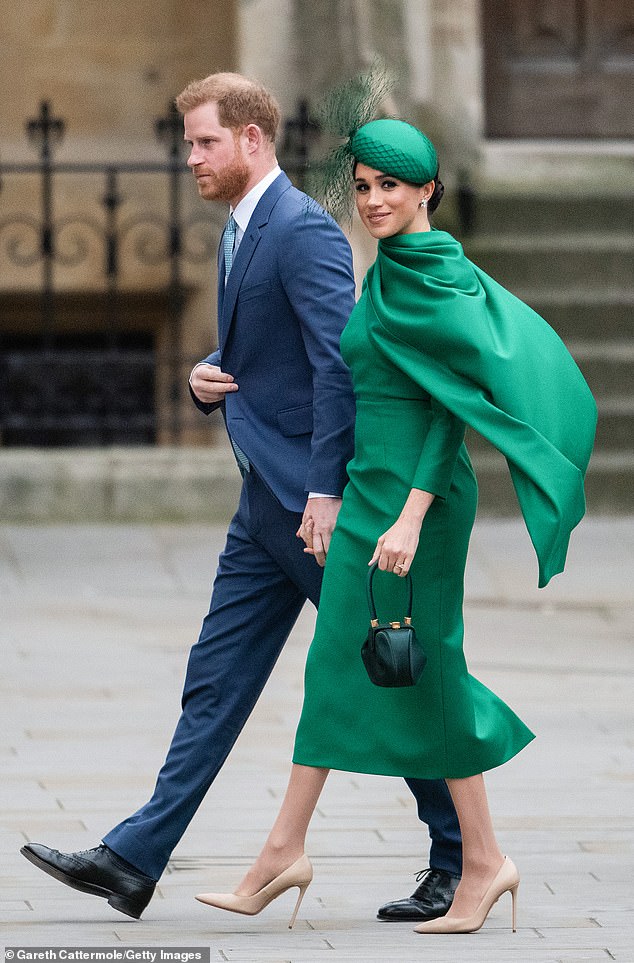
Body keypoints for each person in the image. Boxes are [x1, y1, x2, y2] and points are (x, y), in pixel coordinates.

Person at [20, 76, 464, 923]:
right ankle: (134, 857)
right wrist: (205, 377)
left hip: (312, 509)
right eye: (189, 142)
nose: (190, 157)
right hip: (264, 502)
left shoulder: (301, 232)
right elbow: (269, 353)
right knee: (215, 678)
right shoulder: (242, 228)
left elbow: (339, 368)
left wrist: (328, 491)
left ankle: (458, 855)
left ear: (253, 140)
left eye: (203, 142)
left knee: (386, 675)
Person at [194, 117, 597, 935]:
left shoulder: (434, 274)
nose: (374, 200)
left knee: (427, 664)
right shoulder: (386, 270)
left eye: (391, 186)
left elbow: (452, 413)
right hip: (369, 488)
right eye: (366, 185)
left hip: (419, 501)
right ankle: (303, 850)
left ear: (427, 192)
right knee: (345, 662)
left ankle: (464, 860)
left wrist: (411, 517)